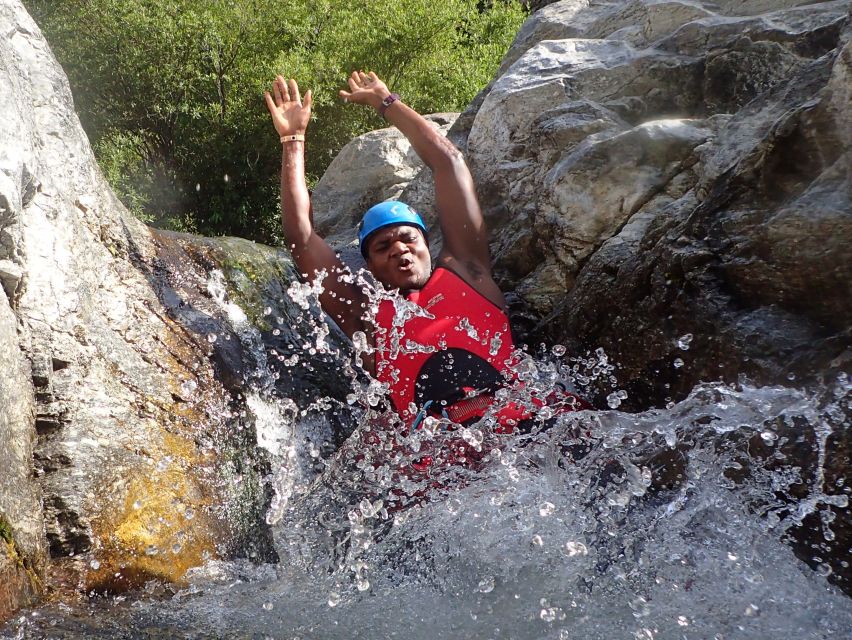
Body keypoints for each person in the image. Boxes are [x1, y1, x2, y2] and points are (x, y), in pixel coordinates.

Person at [264, 72, 586, 453]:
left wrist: (388, 102)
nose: (399, 249)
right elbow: (301, 240)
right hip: (440, 469)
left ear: (426, 245)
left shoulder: (469, 271)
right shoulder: (364, 316)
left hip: (528, 434)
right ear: (368, 267)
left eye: (408, 238)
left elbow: (449, 162)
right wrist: (292, 140)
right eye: (383, 247)